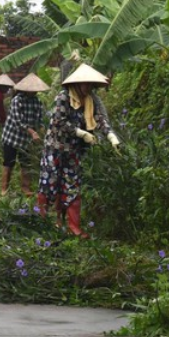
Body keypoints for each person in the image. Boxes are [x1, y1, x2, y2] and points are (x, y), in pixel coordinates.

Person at [38, 63, 119, 238]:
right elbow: (58, 121)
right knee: (50, 184)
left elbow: (100, 120)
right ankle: (45, 221)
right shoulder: (63, 97)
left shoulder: (92, 100)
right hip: (55, 147)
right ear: (76, 83)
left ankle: (74, 227)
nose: (87, 88)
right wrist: (80, 133)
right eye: (85, 84)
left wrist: (112, 136)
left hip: (74, 151)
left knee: (73, 186)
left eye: (90, 85)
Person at [0, 73, 47, 197]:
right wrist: (32, 132)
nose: (34, 92)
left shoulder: (37, 102)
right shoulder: (17, 100)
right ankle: (4, 189)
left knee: (26, 163)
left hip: (26, 139)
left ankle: (25, 189)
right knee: (9, 163)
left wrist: (42, 130)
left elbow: (40, 120)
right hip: (12, 137)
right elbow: (18, 121)